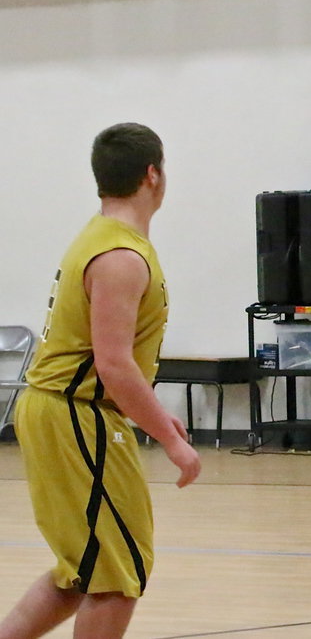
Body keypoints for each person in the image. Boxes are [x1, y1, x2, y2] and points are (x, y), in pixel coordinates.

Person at [0, 123, 200, 639]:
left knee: (84, 570)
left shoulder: (103, 239)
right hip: (74, 413)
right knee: (115, 574)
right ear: (152, 174)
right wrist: (170, 440)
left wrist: (152, 413)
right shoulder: (120, 257)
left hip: (64, 408)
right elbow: (113, 364)